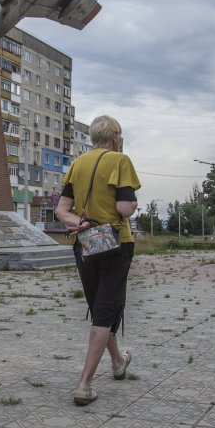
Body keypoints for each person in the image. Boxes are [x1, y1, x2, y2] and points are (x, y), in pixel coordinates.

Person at [55, 115, 140, 406]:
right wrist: (129, 203)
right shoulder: (119, 160)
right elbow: (124, 208)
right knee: (105, 313)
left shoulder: (77, 164)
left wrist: (79, 221)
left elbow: (61, 209)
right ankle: (84, 384)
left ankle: (117, 362)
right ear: (115, 136)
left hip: (84, 243)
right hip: (116, 244)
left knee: (99, 307)